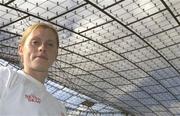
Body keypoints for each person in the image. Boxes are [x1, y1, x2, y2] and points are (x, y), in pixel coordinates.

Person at [0, 23, 67, 116]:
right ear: (21, 49)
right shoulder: (6, 77)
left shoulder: (60, 109)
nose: (42, 48)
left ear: (56, 55)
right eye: (35, 42)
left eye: (50, 44)